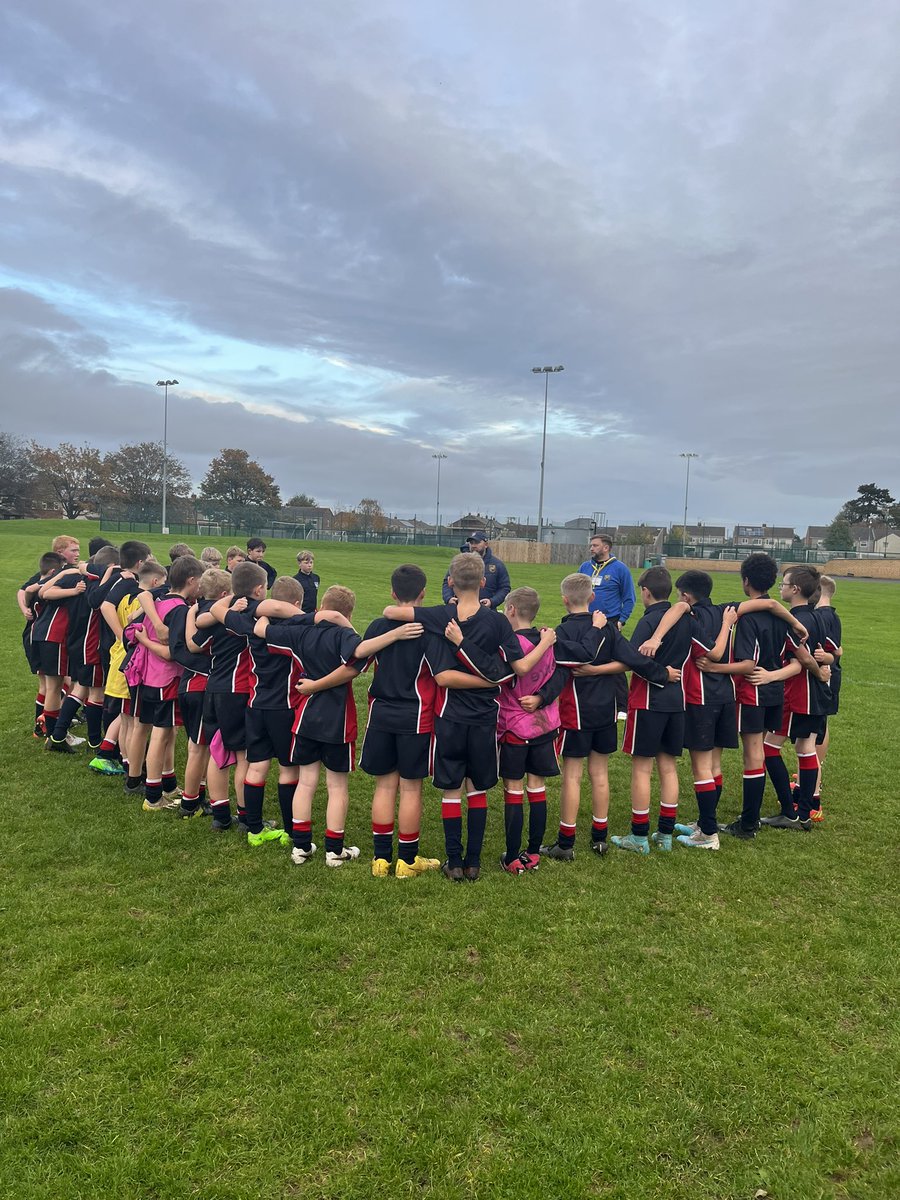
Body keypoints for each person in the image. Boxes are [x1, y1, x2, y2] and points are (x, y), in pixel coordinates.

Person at [389, 552, 551, 882]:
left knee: (452, 790)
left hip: (449, 716)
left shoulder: (439, 616)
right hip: (483, 718)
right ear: (483, 582)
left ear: (449, 582)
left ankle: (456, 861)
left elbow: (391, 610)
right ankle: (471, 862)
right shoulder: (498, 623)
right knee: (476, 789)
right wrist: (545, 642)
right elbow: (516, 669)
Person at [261, 585, 425, 867]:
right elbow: (359, 655)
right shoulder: (347, 635)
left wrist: (259, 611)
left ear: (320, 607)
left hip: (306, 716)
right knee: (337, 786)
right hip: (338, 718)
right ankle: (334, 850)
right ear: (349, 613)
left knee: (307, 781)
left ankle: (301, 847)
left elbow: (262, 630)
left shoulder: (301, 632)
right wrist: (393, 634)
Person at [533, 573, 675, 861]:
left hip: (577, 715)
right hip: (607, 711)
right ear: (593, 597)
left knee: (572, 776)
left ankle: (566, 842)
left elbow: (573, 663)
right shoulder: (608, 628)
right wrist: (662, 673)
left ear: (563, 600)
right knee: (600, 774)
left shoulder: (561, 634)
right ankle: (599, 837)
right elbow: (633, 658)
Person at [359, 564, 488, 879]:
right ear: (423, 594)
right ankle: (406, 859)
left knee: (384, 785)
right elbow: (444, 676)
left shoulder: (378, 625)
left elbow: (358, 659)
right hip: (415, 717)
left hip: (380, 715)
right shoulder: (431, 630)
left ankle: (380, 860)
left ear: (392, 593)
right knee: (410, 787)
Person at [611, 566, 692, 855]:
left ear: (644, 592)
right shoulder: (685, 618)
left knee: (642, 769)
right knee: (668, 767)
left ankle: (639, 836)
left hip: (648, 702)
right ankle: (666, 835)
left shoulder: (649, 622)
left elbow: (633, 659)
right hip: (677, 703)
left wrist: (659, 674)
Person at [757, 566, 832, 831]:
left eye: (784, 583)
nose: (781, 587)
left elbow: (801, 658)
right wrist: (824, 668)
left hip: (799, 694)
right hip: (815, 695)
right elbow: (830, 652)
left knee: (768, 748)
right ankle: (804, 811)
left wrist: (816, 672)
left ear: (795, 589)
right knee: (805, 749)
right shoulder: (820, 616)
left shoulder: (795, 620)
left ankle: (791, 810)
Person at [578, 532, 636, 717]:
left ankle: (621, 706)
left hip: (610, 621)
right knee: (586, 657)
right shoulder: (585, 567)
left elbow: (629, 598)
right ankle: (584, 698)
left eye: (595, 545)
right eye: (591, 545)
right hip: (586, 619)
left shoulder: (620, 569)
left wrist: (621, 620)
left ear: (606, 547)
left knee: (614, 661)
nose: (591, 548)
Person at [441, 531, 510, 609]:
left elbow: (504, 588)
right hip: (460, 609)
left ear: (486, 544)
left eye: (477, 542)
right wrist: (449, 598)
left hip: (486, 612)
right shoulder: (459, 562)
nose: (473, 545)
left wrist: (492, 601)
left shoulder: (497, 565)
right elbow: (447, 582)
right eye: (471, 543)